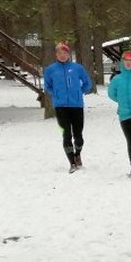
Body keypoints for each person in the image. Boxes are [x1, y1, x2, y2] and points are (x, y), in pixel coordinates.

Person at [42, 42, 94, 173]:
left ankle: (78, 154)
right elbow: (47, 86)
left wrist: (79, 92)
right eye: (59, 53)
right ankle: (72, 163)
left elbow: (87, 84)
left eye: (65, 53)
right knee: (66, 135)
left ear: (69, 54)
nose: (62, 55)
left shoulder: (78, 68)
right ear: (56, 55)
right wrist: (56, 94)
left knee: (78, 135)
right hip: (60, 107)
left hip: (77, 106)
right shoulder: (50, 70)